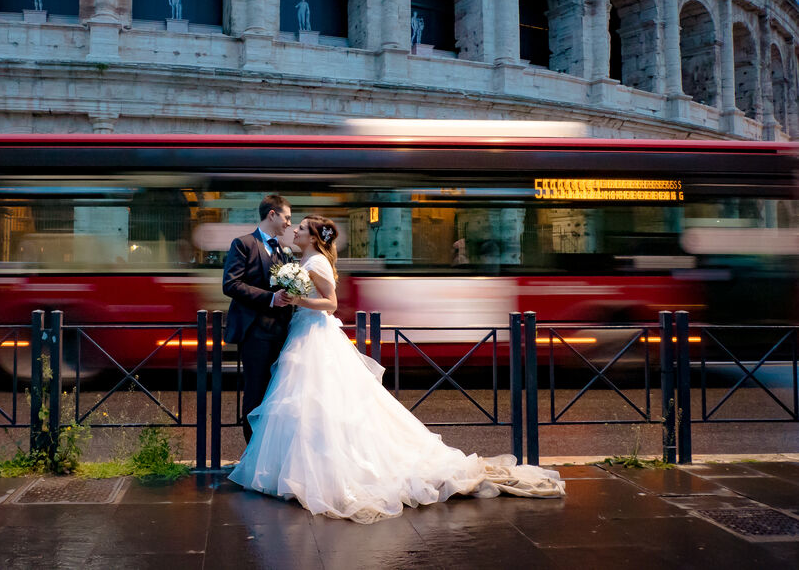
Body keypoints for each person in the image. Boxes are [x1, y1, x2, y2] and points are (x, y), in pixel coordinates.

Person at [230, 215, 565, 523]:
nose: (296, 230)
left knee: (313, 403)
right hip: (303, 334)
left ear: (315, 237)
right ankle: (301, 470)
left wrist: (297, 300)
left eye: (302, 228)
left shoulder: (315, 261)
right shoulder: (305, 259)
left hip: (314, 336)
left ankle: (310, 472)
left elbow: (330, 304)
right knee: (306, 406)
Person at [222, 195, 295, 442]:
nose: (289, 223)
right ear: (272, 214)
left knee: (278, 392)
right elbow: (231, 284)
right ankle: (252, 451)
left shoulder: (285, 250)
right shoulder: (243, 244)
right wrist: (270, 299)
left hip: (282, 332)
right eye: (287, 217)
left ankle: (271, 449)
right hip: (254, 332)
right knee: (255, 391)